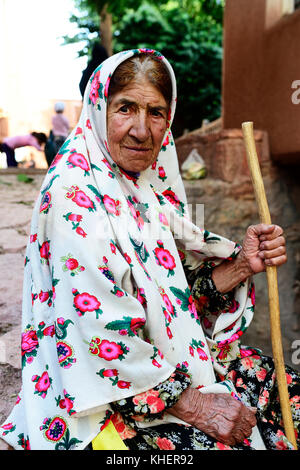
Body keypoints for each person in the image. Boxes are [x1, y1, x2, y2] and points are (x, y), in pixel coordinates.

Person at [0, 49, 299, 451]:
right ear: (99, 109)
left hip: (168, 369)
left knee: (287, 391)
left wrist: (243, 265)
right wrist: (199, 406)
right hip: (106, 398)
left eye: (156, 112)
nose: (142, 130)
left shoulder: (143, 186)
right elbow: (100, 343)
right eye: (125, 108)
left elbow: (173, 303)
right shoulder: (74, 194)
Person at [44, 102, 70, 168]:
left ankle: (57, 166)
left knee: (57, 153)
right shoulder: (64, 118)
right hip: (64, 137)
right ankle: (63, 166)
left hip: (56, 137)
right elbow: (67, 126)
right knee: (64, 151)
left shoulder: (53, 118)